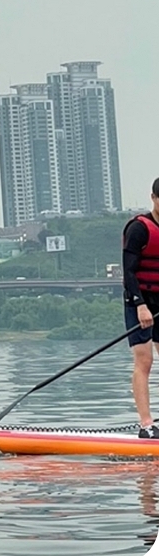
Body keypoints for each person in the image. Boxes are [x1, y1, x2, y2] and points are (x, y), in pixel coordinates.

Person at [124, 177, 159, 438]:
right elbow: (128, 271)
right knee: (144, 360)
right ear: (154, 199)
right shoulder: (139, 229)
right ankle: (146, 425)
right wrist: (140, 305)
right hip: (140, 301)